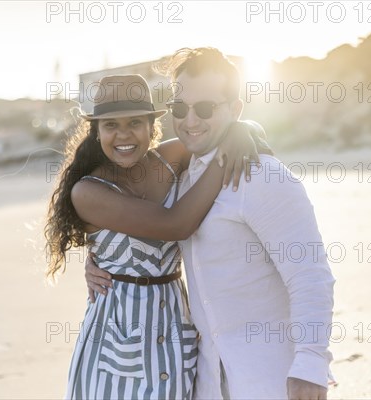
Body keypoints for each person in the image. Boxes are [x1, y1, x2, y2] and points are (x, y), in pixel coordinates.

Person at [85, 48, 336, 400]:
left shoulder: (263, 177)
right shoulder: (184, 180)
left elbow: (309, 275)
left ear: (235, 110)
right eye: (180, 108)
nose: (190, 120)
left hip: (271, 376)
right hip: (206, 378)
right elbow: (138, 224)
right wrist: (95, 256)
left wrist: (311, 365)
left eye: (205, 109)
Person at [44, 74, 272, 400]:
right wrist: (224, 160)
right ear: (96, 132)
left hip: (175, 324)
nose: (124, 135)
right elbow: (176, 225)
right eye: (111, 125)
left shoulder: (173, 158)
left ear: (153, 126)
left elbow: (223, 130)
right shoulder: (88, 191)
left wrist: (242, 130)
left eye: (135, 122)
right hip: (116, 335)